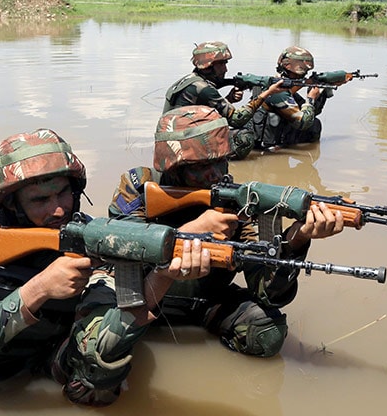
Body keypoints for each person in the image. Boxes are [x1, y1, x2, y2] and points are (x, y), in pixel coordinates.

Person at [0, 128, 209, 406]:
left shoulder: (90, 238)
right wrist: (39, 288)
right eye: (39, 200)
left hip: (63, 352)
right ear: (12, 202)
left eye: (63, 194)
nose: (58, 210)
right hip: (0, 364)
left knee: (103, 379)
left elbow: (103, 341)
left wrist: (163, 275)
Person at [108, 105, 346, 358]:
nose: (216, 173)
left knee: (266, 333)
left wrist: (297, 239)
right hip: (145, 299)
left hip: (208, 302)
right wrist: (191, 232)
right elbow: (119, 245)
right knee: (103, 336)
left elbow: (267, 291)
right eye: (201, 166)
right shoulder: (140, 185)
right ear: (172, 166)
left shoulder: (236, 199)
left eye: (221, 160)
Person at [163, 40, 285, 159]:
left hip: (170, 141)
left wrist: (229, 99)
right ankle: (217, 163)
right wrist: (267, 93)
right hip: (183, 144)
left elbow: (203, 111)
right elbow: (237, 120)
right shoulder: (204, 88)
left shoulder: (190, 81)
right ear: (208, 65)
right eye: (221, 64)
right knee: (244, 137)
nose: (225, 69)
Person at [252, 46, 350, 152]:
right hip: (263, 146)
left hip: (276, 139)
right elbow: (303, 123)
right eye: (299, 74)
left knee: (315, 124)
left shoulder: (285, 90)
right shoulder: (277, 91)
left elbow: (312, 114)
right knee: (310, 125)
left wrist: (323, 91)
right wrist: (310, 98)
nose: (302, 77)